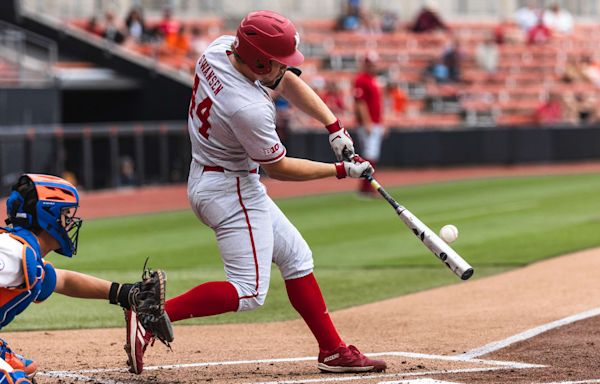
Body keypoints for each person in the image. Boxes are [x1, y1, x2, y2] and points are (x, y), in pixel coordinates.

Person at [125, 10, 386, 375]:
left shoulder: (219, 50)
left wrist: (334, 126)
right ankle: (152, 315)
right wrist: (340, 170)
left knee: (296, 257)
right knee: (249, 291)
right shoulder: (247, 108)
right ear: (260, 60)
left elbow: (286, 81)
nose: (285, 68)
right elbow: (278, 168)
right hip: (231, 187)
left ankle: (332, 349)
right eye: (278, 62)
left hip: (212, 175)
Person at [0, 174, 171, 382]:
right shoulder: (12, 252)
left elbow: (63, 280)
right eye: (65, 214)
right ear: (48, 216)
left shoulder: (24, 253)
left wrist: (124, 294)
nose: (70, 221)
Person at [353, 52, 384, 196]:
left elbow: (379, 103)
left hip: (375, 121)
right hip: (368, 123)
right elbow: (360, 102)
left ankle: (366, 186)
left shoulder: (374, 79)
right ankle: (367, 186)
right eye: (372, 64)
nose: (374, 67)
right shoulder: (361, 79)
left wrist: (382, 122)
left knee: (372, 154)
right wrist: (367, 122)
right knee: (369, 154)